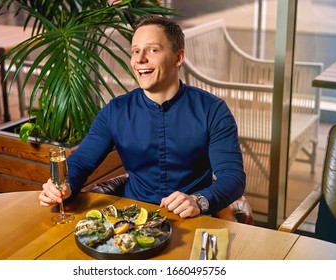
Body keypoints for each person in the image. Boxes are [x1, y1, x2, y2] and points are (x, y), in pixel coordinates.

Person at [39, 15, 246, 218]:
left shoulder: (212, 110)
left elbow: (232, 176)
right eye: (135, 51)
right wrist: (66, 185)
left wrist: (198, 200)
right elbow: (82, 161)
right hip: (132, 218)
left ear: (178, 57)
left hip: (192, 219)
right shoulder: (115, 110)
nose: (139, 59)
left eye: (152, 50)